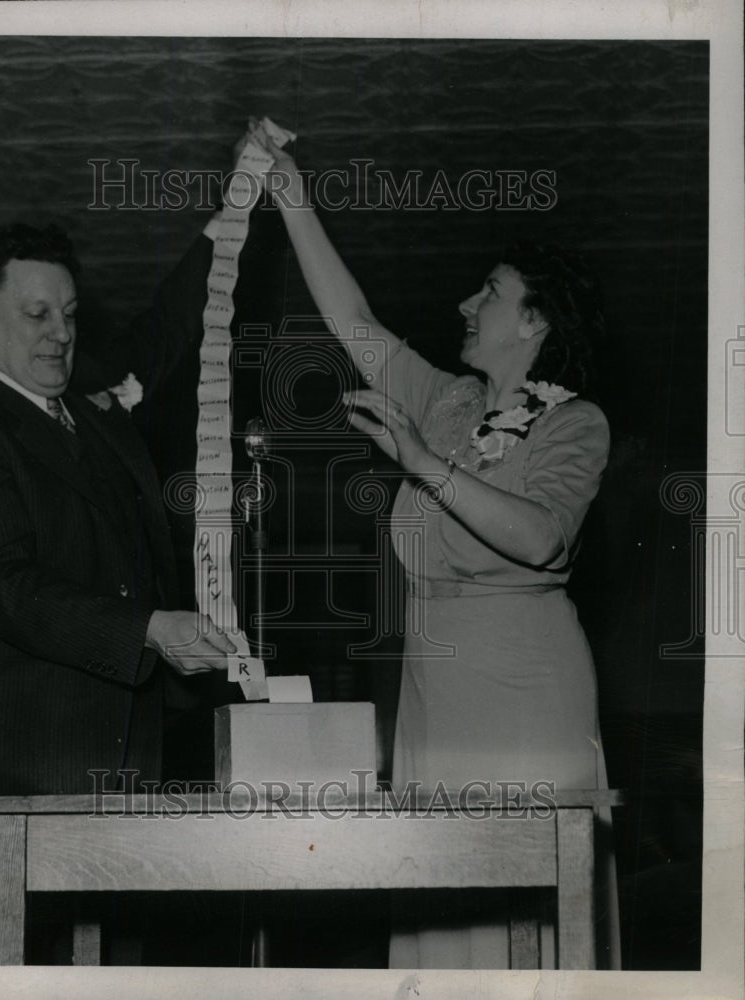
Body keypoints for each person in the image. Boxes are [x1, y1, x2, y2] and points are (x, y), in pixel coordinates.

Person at [254, 130, 618, 970]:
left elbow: (540, 534)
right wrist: (291, 194)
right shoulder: (445, 401)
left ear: (534, 320)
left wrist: (418, 462)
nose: (465, 304)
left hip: (525, 697)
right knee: (437, 914)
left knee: (524, 913)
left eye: (488, 293)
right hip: (432, 688)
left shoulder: (573, 423)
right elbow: (351, 319)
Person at [0, 217, 238, 963]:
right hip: (7, 780)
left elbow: (161, 332)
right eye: (36, 314)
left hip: (118, 773)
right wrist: (147, 628)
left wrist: (235, 208)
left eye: (69, 313)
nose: (59, 333)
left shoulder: (92, 419)